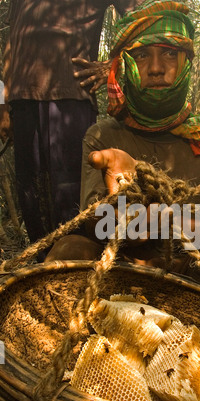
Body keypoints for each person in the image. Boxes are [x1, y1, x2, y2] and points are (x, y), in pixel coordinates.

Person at [46, 0, 200, 312]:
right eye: (142, 55)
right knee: (67, 251)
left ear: (187, 62)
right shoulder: (103, 137)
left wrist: (149, 223)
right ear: (126, 64)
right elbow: (97, 225)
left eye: (170, 53)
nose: (156, 68)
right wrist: (126, 219)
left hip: (199, 277)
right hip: (123, 270)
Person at [2, 0, 145, 245]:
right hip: (22, 100)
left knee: (72, 199)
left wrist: (114, 64)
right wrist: (2, 102)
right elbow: (13, 38)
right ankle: (43, 271)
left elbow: (144, 17)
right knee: (31, 196)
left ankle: (77, 268)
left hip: (71, 97)